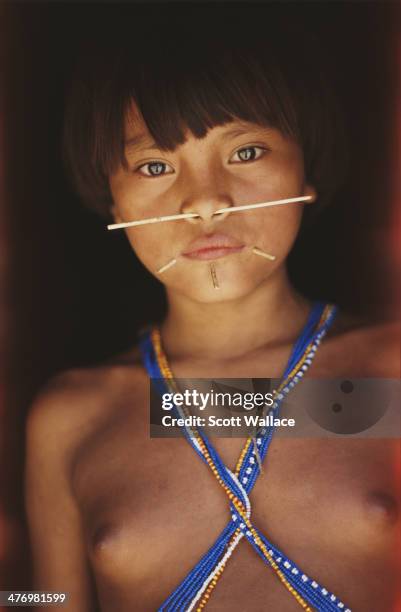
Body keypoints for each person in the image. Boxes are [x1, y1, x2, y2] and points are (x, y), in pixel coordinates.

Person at [25, 7, 400, 611]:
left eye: (247, 152)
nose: (204, 203)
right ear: (109, 196)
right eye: (154, 166)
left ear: (307, 166)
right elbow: (41, 597)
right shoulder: (73, 418)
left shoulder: (387, 374)